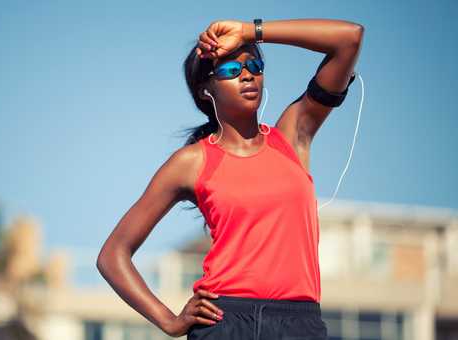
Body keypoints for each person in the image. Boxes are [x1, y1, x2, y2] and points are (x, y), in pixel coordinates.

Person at [97, 18, 364, 340]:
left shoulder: (293, 137)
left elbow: (349, 38)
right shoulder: (192, 162)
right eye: (229, 70)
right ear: (205, 90)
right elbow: (113, 255)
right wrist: (168, 321)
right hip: (225, 321)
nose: (247, 74)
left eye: (254, 64)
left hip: (299, 322)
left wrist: (249, 32)